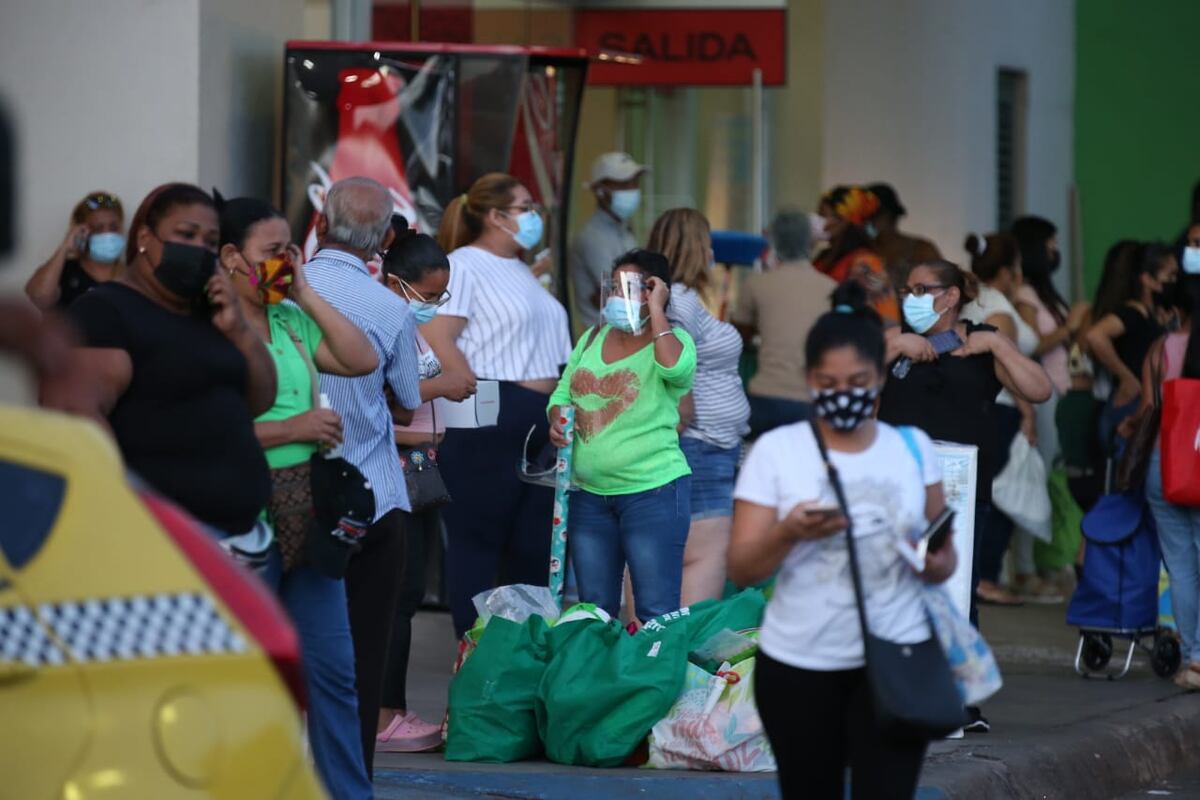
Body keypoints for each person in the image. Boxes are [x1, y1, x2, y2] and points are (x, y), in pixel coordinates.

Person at [729, 282, 957, 800]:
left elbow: (943, 560)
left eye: (857, 380)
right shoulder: (776, 451)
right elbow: (742, 567)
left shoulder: (912, 448)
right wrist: (790, 531)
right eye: (828, 382)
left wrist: (933, 560)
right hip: (798, 666)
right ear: (809, 381)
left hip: (895, 660)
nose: (844, 392)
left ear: (879, 377)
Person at [216, 194, 377, 798]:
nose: (283, 261)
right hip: (244, 517)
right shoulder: (214, 327)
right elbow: (204, 433)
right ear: (232, 257)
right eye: (270, 253)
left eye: (290, 249)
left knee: (333, 673)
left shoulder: (288, 317)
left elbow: (361, 359)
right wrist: (293, 429)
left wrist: (304, 291)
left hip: (308, 513)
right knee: (249, 674)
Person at [879, 258, 1051, 732]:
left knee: (956, 594)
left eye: (921, 288)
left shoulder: (980, 341)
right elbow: (851, 391)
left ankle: (955, 699)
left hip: (959, 489)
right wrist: (896, 346)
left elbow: (1039, 389)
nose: (909, 296)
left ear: (951, 296)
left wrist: (995, 342)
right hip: (892, 483)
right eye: (906, 287)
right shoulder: (892, 340)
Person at [57, 183, 275, 536]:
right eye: (186, 235)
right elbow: (77, 416)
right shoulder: (105, 312)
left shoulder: (211, 314)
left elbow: (260, 400)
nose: (199, 249)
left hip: (240, 536)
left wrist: (240, 330)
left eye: (209, 241)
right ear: (144, 237)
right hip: (164, 538)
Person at [302, 176, 423, 778]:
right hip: (374, 497)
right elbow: (405, 399)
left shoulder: (277, 296)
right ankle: (349, 781)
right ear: (381, 243)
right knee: (362, 654)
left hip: (293, 499)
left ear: (320, 225)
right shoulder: (391, 307)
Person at [426, 172, 573, 637]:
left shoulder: (521, 270)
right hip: (490, 408)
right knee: (479, 542)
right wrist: (464, 380)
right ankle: (472, 657)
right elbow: (435, 331)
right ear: (494, 216)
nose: (534, 217)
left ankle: (520, 657)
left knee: (533, 548)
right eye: (525, 207)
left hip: (538, 414)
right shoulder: (464, 264)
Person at [548, 249, 696, 622]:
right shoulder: (593, 337)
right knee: (593, 610)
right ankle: (604, 679)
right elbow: (562, 395)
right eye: (613, 286)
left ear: (654, 291)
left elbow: (675, 369)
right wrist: (556, 419)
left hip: (653, 493)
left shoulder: (675, 339)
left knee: (654, 610)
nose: (616, 296)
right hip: (589, 497)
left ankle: (649, 680)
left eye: (628, 287)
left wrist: (658, 311)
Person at [376, 219, 475, 753]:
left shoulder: (408, 323)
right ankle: (384, 713)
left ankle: (387, 708)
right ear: (397, 285)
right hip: (393, 465)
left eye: (444, 296)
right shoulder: (383, 323)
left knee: (408, 591)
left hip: (418, 464)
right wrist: (443, 385)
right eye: (431, 296)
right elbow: (390, 400)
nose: (437, 305)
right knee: (397, 593)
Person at [647, 208, 750, 604]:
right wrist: (681, 412)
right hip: (699, 444)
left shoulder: (682, 299)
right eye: (706, 241)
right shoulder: (681, 302)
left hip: (707, 443)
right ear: (696, 245)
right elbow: (674, 361)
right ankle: (685, 653)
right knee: (703, 556)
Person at [959, 233, 1047, 605]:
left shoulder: (974, 301)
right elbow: (1005, 365)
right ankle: (985, 576)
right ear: (1011, 270)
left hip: (984, 407)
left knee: (991, 490)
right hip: (1003, 408)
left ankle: (981, 575)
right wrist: (1029, 415)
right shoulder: (996, 307)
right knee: (998, 494)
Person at [1131, 251, 1200, 690]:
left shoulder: (1161, 349)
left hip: (1168, 463)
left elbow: (1148, 408)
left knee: (1180, 562)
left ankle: (1195, 659)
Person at [733, 209, 837, 436]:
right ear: (810, 242)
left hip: (764, 397)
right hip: (811, 400)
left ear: (774, 241)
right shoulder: (830, 288)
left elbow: (738, 336)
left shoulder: (757, 284)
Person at [1085, 243, 1178, 452]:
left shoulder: (1156, 314)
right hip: (1131, 407)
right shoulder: (1134, 311)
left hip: (1144, 407)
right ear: (1147, 280)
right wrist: (1127, 377)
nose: (1175, 282)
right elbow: (1096, 336)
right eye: (1170, 276)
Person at [569, 152, 648, 330]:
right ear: (600, 190)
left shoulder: (625, 231)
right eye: (623, 184)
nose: (632, 188)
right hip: (604, 342)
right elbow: (625, 294)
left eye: (635, 182)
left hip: (626, 337)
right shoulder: (591, 236)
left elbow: (635, 290)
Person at [26, 191, 125, 310]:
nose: (107, 234)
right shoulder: (64, 271)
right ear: (81, 231)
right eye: (98, 228)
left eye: (113, 227)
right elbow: (39, 297)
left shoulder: (131, 276)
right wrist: (65, 247)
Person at [814, 186, 898, 323]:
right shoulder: (824, 256)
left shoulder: (865, 261)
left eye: (823, 215)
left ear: (843, 220)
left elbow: (886, 315)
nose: (817, 221)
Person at [867, 182, 941, 286]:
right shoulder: (861, 251)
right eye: (867, 216)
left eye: (877, 215)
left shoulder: (922, 250)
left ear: (890, 216)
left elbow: (942, 286)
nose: (871, 221)